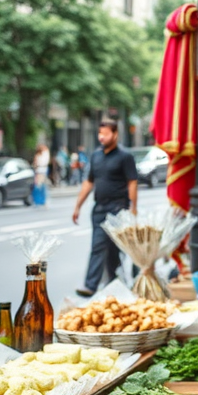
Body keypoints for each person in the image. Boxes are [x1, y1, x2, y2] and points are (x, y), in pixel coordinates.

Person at [73, 119, 138, 297]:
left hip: (118, 208)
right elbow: (89, 182)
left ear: (115, 134)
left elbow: (132, 182)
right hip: (99, 208)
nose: (101, 137)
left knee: (113, 249)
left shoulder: (125, 156)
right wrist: (78, 205)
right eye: (100, 134)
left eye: (106, 134)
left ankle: (110, 283)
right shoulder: (96, 156)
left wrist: (133, 208)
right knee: (99, 245)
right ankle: (93, 285)